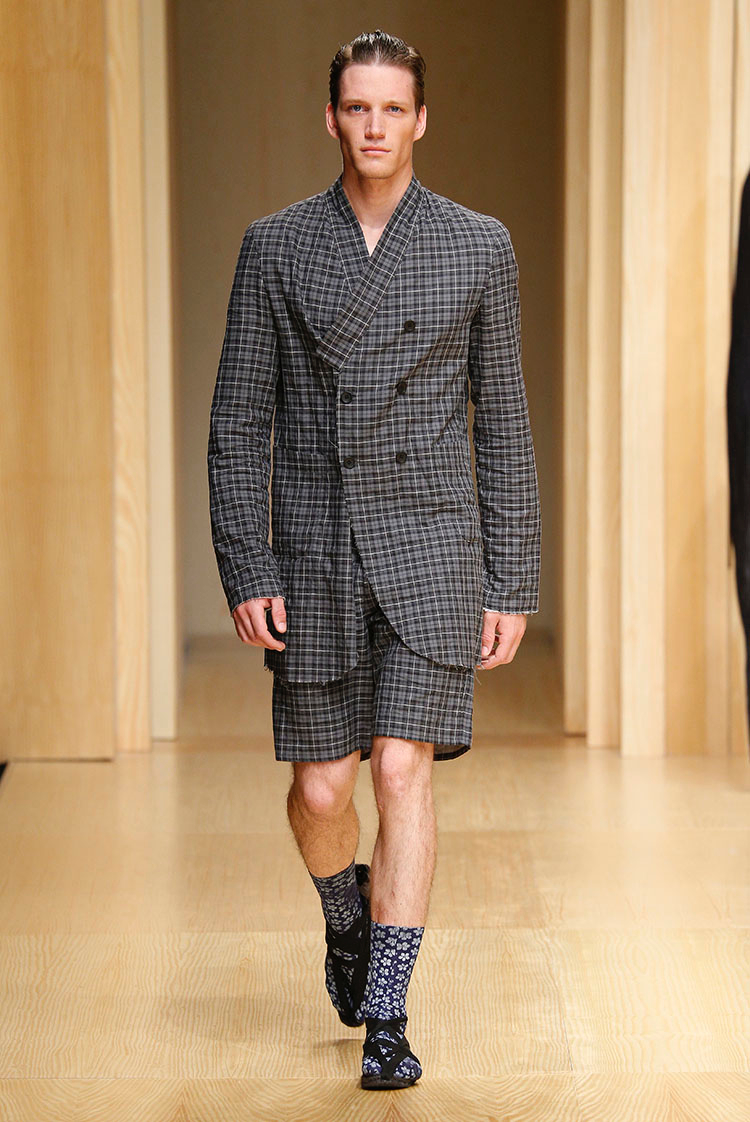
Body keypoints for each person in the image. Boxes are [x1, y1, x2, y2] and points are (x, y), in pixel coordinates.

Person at [207, 28, 541, 1090]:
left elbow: (505, 420)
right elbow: (237, 419)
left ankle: (387, 1016)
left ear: (422, 120)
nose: (376, 127)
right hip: (316, 551)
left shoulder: (478, 245)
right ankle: (343, 915)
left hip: (433, 546)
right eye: (359, 107)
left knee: (402, 770)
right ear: (332, 118)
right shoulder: (276, 246)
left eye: (394, 108)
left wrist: (512, 575)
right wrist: (247, 561)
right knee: (321, 793)